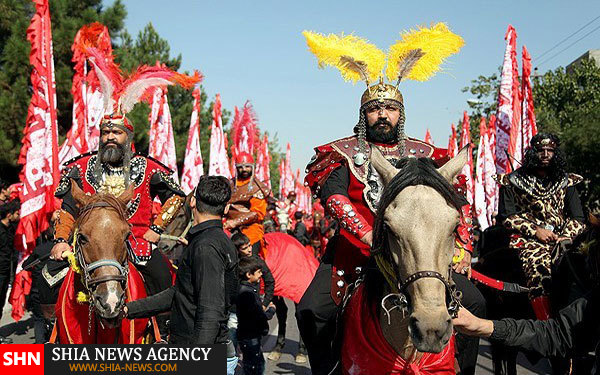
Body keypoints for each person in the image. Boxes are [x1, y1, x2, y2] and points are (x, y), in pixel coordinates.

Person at [297, 28, 485, 375]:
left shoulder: (426, 154)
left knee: (474, 301)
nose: (382, 115)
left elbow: (457, 201)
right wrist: (370, 236)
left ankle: (463, 368)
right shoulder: (341, 153)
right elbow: (335, 198)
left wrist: (463, 245)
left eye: (390, 108)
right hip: (356, 251)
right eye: (374, 109)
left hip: (419, 251)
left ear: (401, 114)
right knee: (312, 310)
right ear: (363, 114)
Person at [125, 176, 239, 373]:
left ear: (192, 201)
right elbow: (180, 294)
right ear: (226, 209)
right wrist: (128, 310)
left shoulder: (206, 247)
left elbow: (211, 311)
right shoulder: (210, 240)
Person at [453, 234, 600, 374]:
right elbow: (558, 334)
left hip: (564, 235)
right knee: (539, 272)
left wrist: (565, 235)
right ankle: (544, 314)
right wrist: (480, 325)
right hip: (532, 239)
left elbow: (577, 214)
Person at [497, 133, 585, 320]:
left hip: (562, 238)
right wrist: (536, 231)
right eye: (541, 150)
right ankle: (546, 325)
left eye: (550, 151)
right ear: (533, 153)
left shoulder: (566, 181)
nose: (545, 154)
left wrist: (565, 236)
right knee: (539, 269)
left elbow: (578, 218)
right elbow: (507, 217)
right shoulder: (512, 180)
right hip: (529, 239)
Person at [229, 232, 275, 348]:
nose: (249, 250)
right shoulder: (232, 263)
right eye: (245, 248)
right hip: (233, 311)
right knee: (231, 345)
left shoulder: (257, 261)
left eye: (250, 245)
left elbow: (270, 281)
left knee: (253, 346)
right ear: (237, 249)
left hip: (252, 309)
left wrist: (265, 304)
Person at [224, 152, 270, 256]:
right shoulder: (229, 185)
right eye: (241, 167)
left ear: (252, 168)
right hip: (228, 226)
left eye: (247, 167)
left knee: (250, 260)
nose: (244, 169)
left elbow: (257, 214)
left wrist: (235, 222)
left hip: (250, 229)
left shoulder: (257, 187)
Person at [236, 257, 276, 375]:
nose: (261, 275)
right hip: (250, 336)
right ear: (249, 274)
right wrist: (272, 310)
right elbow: (259, 316)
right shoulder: (247, 293)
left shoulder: (247, 289)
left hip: (249, 335)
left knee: (253, 364)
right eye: (258, 272)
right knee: (255, 367)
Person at [0, 199, 20, 344]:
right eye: (16, 213)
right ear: (9, 215)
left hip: (6, 272)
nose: (18, 215)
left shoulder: (10, 228)